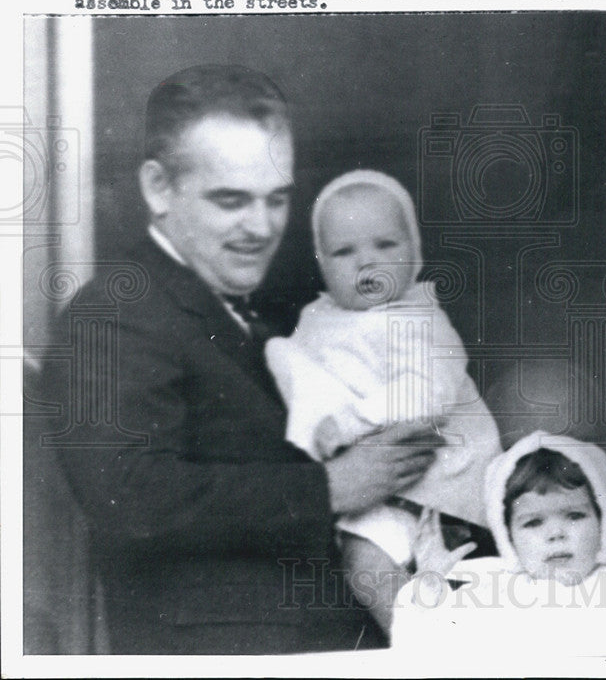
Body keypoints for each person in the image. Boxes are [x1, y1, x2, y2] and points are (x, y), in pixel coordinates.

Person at [45, 64, 442, 653]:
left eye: (276, 199)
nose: (260, 227)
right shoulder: (116, 311)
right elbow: (128, 495)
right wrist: (329, 487)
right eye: (231, 200)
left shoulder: (245, 323)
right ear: (157, 188)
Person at [264, 169, 501, 631]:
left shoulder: (418, 316)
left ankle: (426, 648)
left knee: (444, 573)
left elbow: (428, 391)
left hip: (441, 482)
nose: (366, 262)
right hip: (374, 486)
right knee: (362, 562)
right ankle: (417, 643)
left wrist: (355, 419)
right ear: (322, 265)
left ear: (414, 253)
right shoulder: (317, 322)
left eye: (385, 246)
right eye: (343, 251)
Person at [391, 431, 606, 655]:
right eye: (533, 522)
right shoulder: (486, 600)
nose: (556, 534)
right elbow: (422, 652)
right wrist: (427, 592)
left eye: (574, 515)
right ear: (508, 537)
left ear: (603, 523)